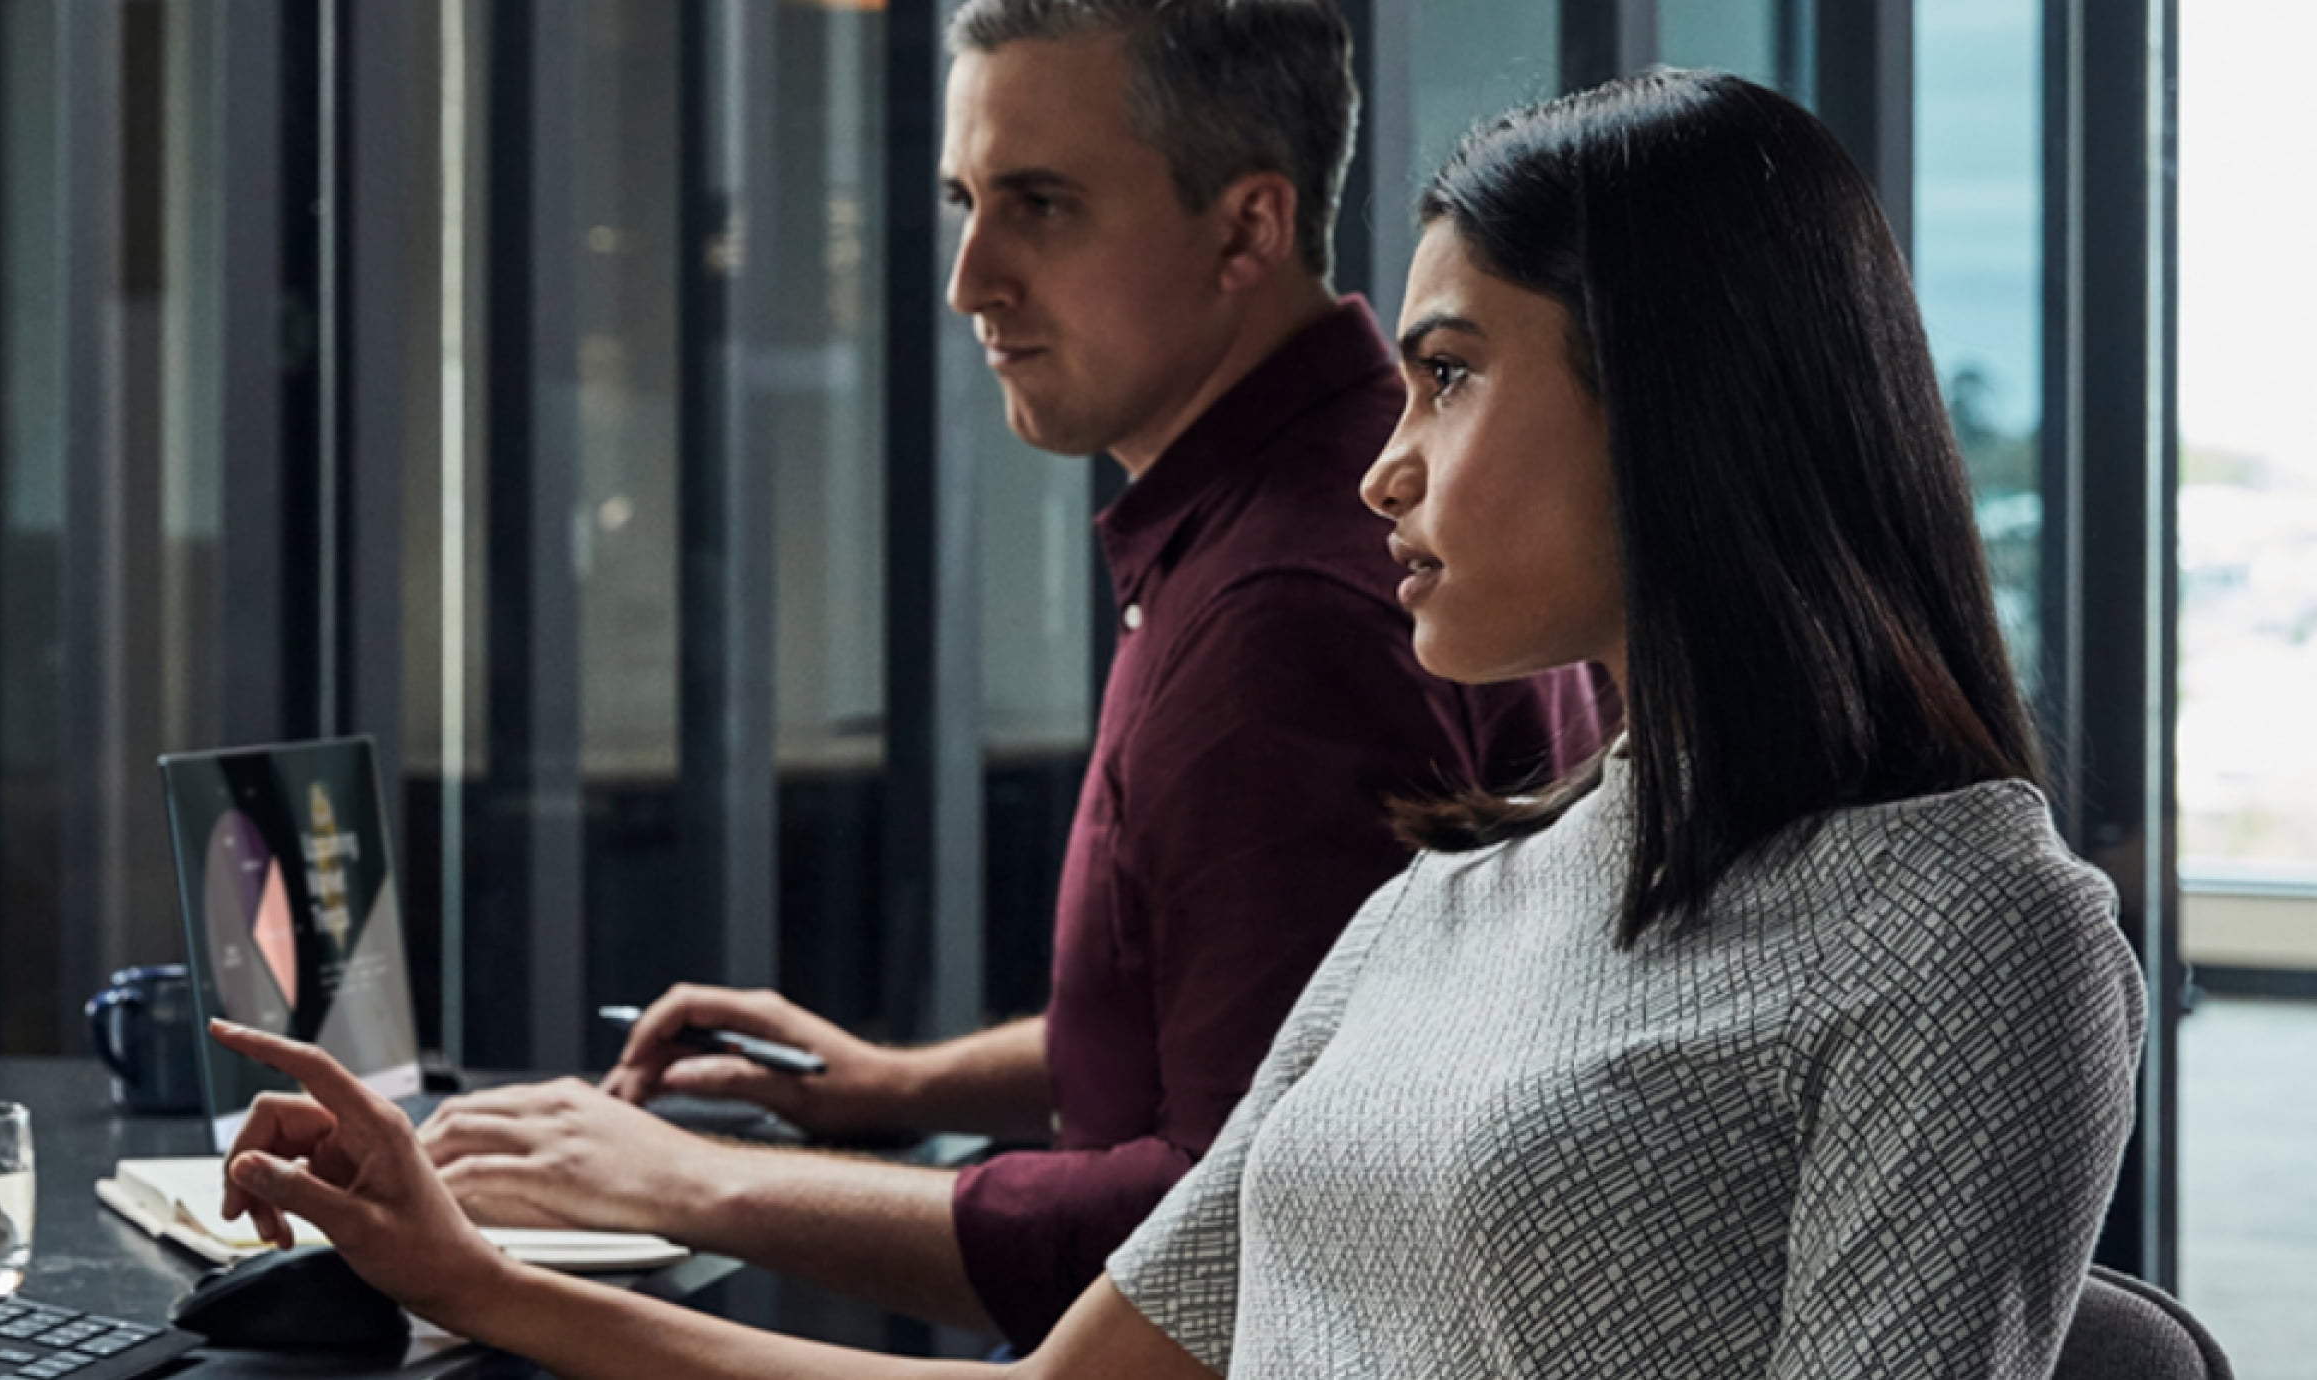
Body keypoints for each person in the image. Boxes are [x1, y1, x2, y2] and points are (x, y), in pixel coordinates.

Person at [199, 66, 2146, 1379]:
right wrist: (473, 1284)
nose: (1385, 471)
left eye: (1449, 381)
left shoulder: (1970, 931)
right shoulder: (1447, 910)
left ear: (1687, 409)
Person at [402, 0, 1600, 1350]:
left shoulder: (1283, 608)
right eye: (967, 200)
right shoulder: (1279, 527)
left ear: (1249, 229)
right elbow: (1279, 1038)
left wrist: (696, 1183)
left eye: (1040, 205)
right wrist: (893, 1082)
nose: (971, 276)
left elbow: (1230, 1220)